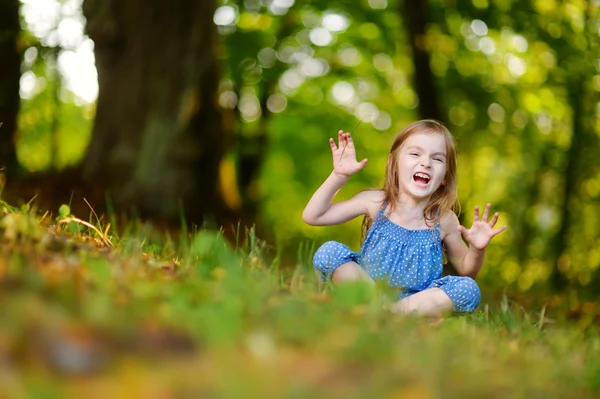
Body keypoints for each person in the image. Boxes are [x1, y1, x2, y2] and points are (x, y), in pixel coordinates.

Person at [302, 119, 507, 317]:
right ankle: (381, 308)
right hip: (368, 291)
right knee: (329, 252)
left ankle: (388, 313)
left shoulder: (444, 219)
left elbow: (466, 269)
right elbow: (314, 216)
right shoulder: (375, 202)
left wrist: (477, 249)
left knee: (468, 289)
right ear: (395, 164)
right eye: (415, 154)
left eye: (437, 158)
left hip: (417, 303)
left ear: (445, 176)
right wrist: (339, 177)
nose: (425, 163)